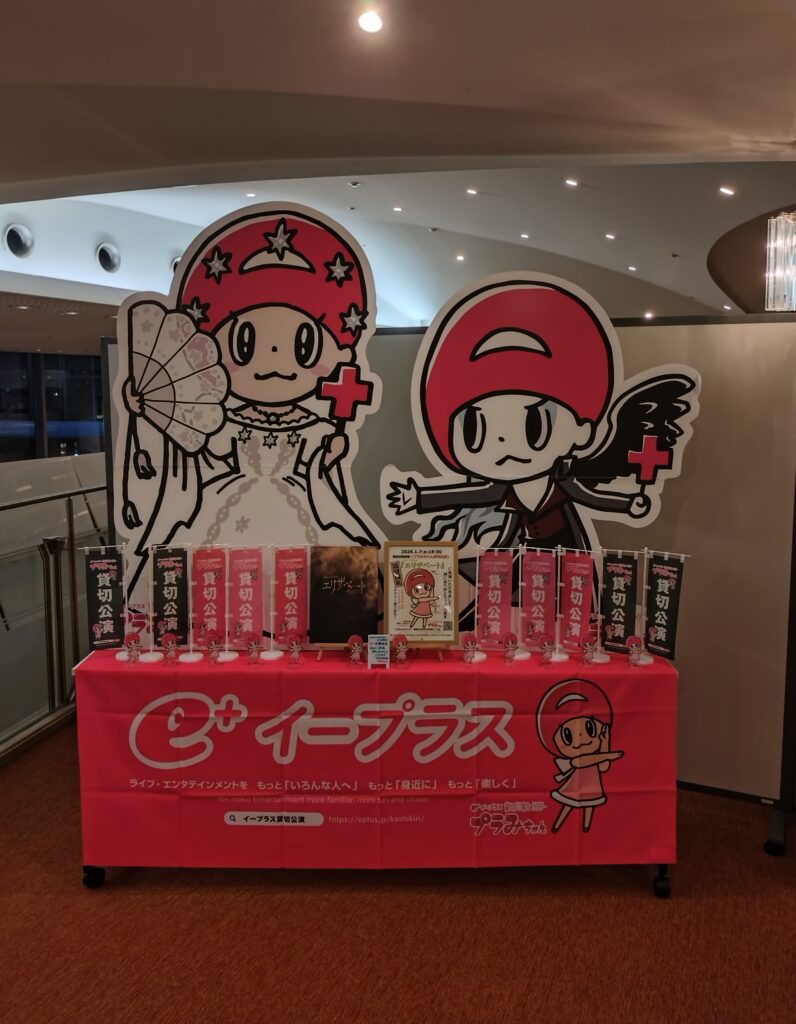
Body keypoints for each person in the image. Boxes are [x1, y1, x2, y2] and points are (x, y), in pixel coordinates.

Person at [118, 205, 382, 599]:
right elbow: (202, 444)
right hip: (230, 502)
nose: (274, 358)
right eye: (245, 343)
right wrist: (147, 411)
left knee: (308, 583)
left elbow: (321, 474)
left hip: (300, 505)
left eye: (303, 345)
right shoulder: (224, 420)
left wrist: (329, 452)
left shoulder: (315, 426)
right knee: (227, 582)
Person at [536, 678, 623, 834]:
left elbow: (604, 767)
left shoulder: (600, 749)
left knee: (590, 805)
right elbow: (579, 761)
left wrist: (605, 742)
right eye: (568, 735)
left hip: (593, 784)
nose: (581, 736)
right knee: (568, 804)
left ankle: (586, 828)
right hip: (575, 784)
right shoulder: (577, 760)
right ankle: (557, 825)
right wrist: (609, 755)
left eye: (590, 728)